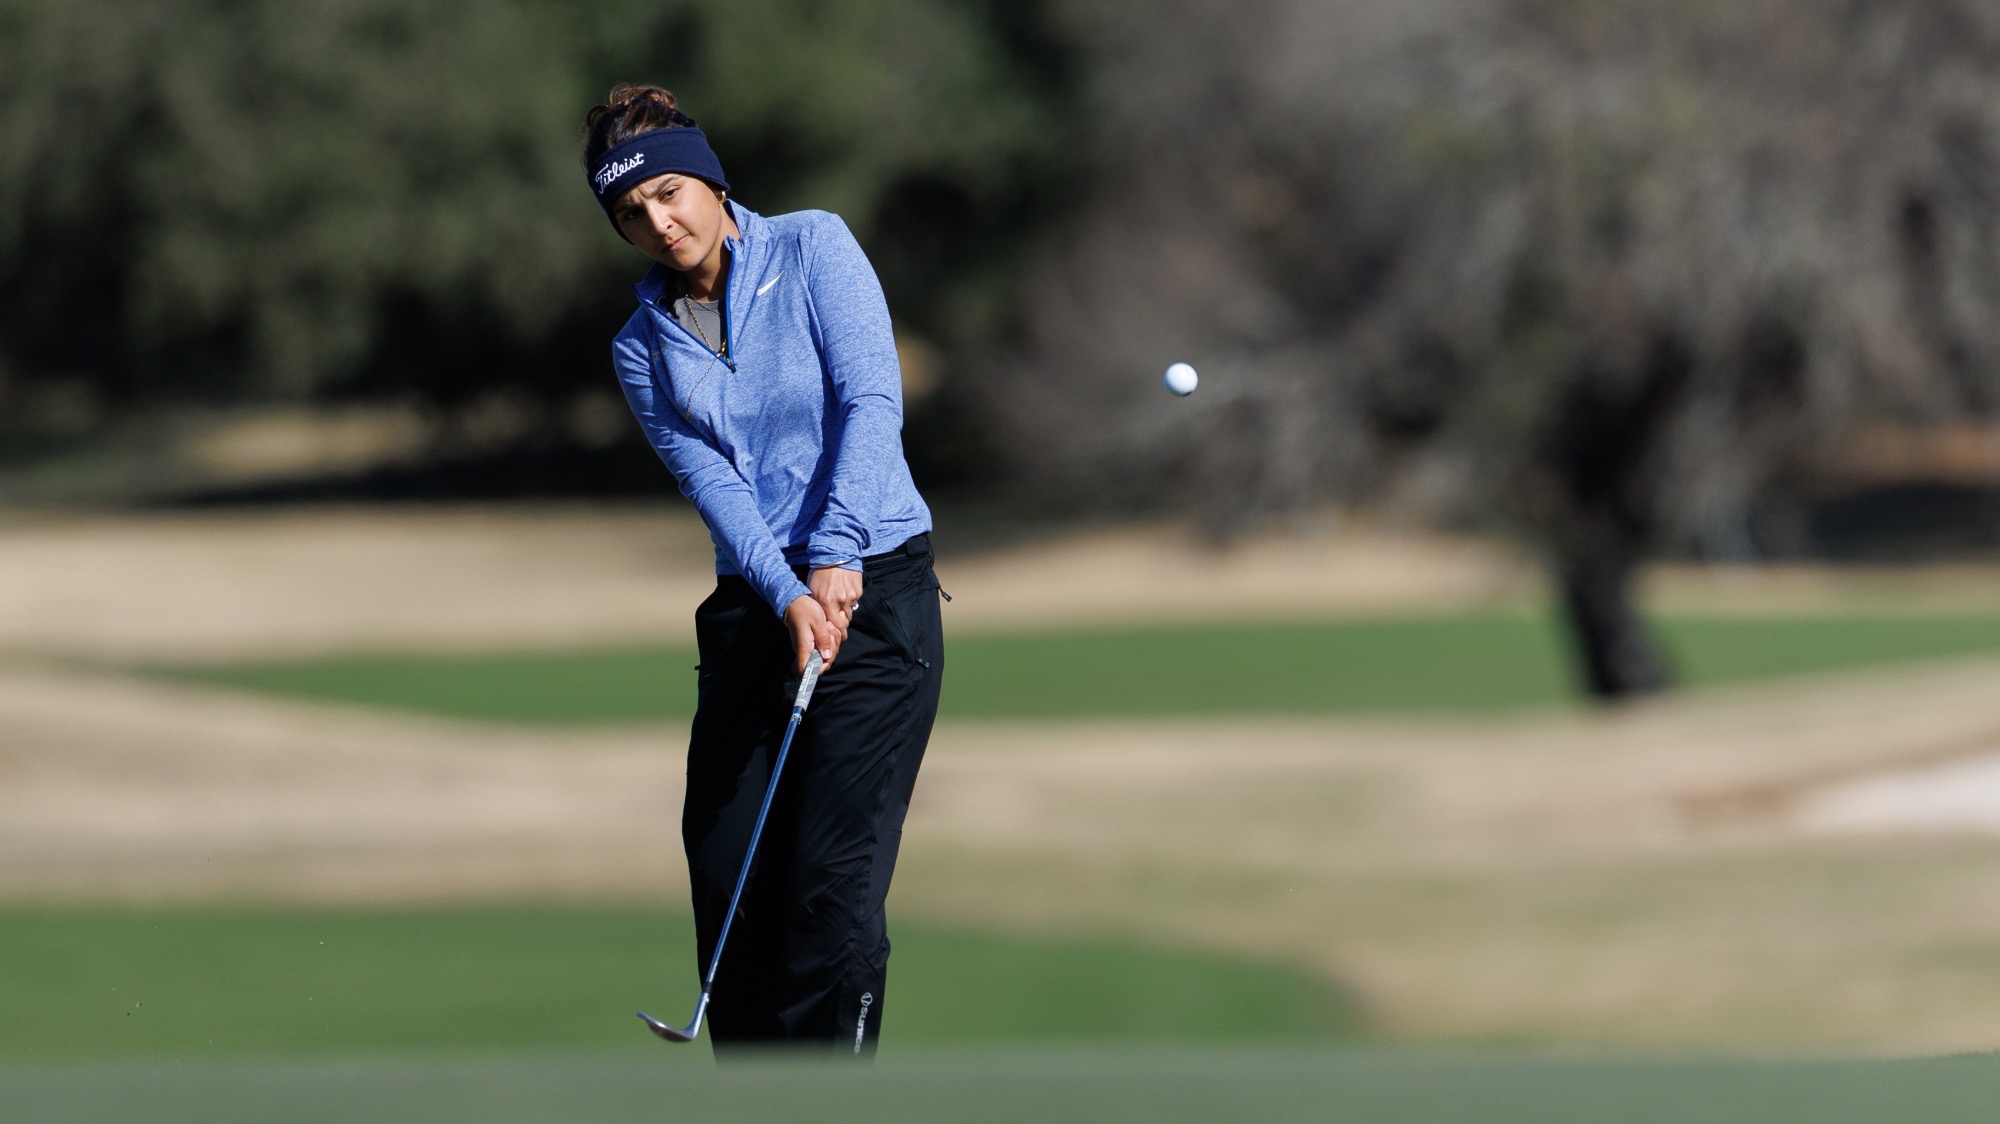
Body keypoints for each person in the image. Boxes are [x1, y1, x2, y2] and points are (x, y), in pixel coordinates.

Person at [582, 84, 944, 1055]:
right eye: (631, 212)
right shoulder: (639, 347)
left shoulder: (813, 246)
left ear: (708, 177)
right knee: (726, 871)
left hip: (875, 595)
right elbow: (716, 487)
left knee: (832, 889)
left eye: (668, 193)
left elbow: (871, 398)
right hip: (757, 607)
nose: (658, 222)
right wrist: (784, 589)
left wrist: (832, 553)